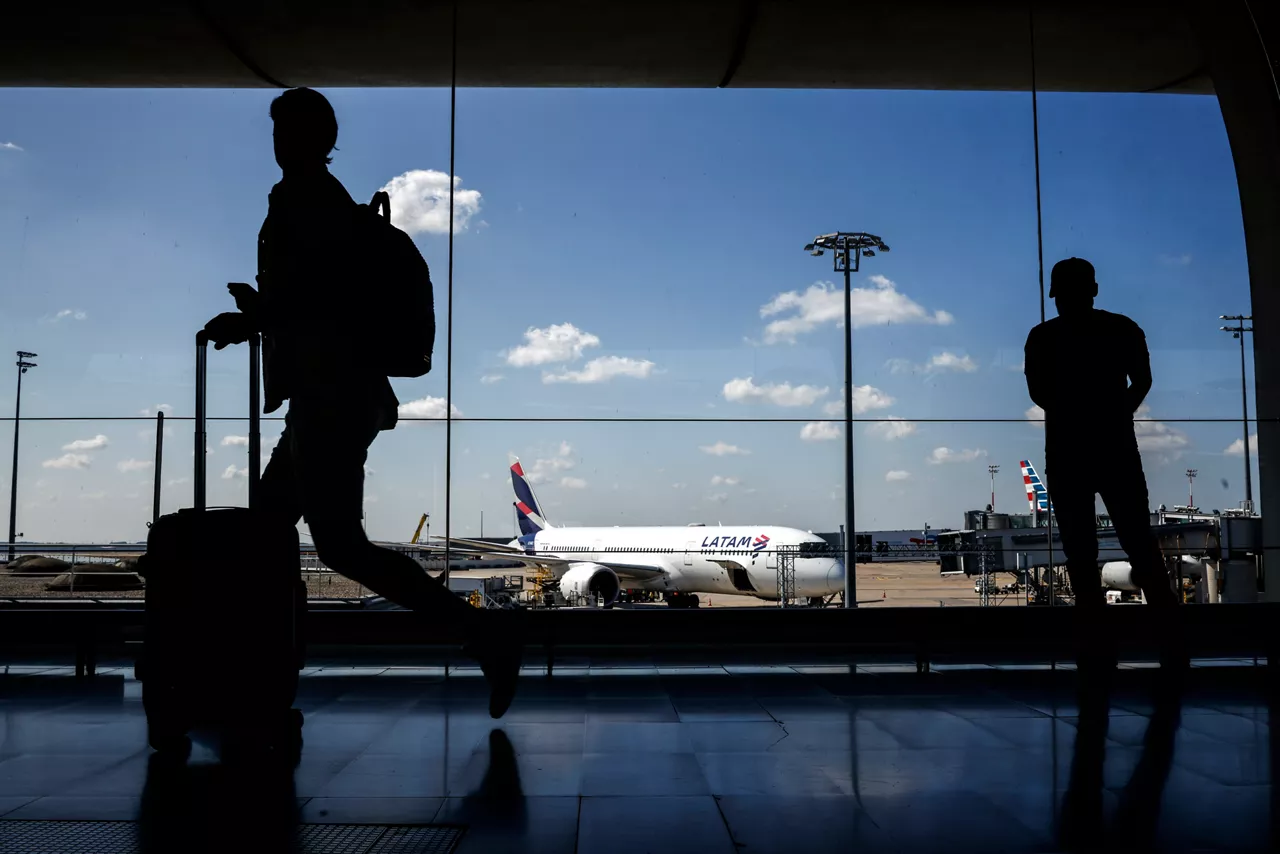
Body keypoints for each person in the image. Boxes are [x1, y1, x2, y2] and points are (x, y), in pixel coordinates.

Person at [203, 87, 522, 718]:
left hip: (332, 394)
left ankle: (483, 633)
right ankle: (261, 667)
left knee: (336, 546)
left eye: (286, 130)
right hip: (334, 394)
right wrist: (262, 314)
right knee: (272, 530)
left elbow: (320, 301)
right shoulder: (319, 201)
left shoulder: (309, 201)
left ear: (310, 139)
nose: (278, 142)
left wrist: (256, 316)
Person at [1024, 257, 1181, 667]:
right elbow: (1143, 380)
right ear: (1095, 290)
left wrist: (1072, 413)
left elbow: (1038, 392)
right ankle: (1170, 635)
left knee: (1080, 550)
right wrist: (1117, 412)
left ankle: (1094, 639)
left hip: (1066, 450)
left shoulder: (1042, 337)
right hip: (1115, 447)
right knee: (1139, 544)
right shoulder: (1123, 329)